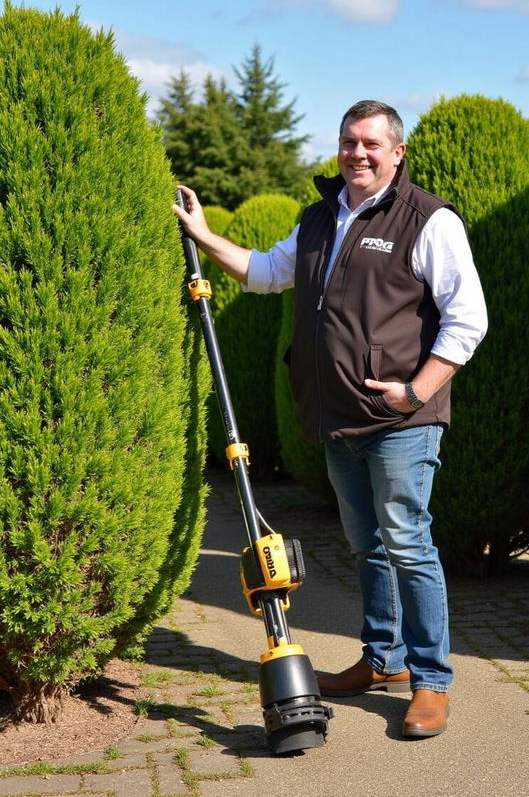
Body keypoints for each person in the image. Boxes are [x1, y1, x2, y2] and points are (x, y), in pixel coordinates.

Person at [173, 99, 487, 739]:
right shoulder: (319, 219)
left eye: (372, 143)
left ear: (397, 152)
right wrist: (205, 237)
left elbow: (468, 320)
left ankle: (430, 681)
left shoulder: (428, 220)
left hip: (400, 421)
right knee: (367, 547)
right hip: (337, 419)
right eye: (349, 141)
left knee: (407, 543)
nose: (358, 153)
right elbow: (265, 274)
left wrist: (414, 392)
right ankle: (381, 661)